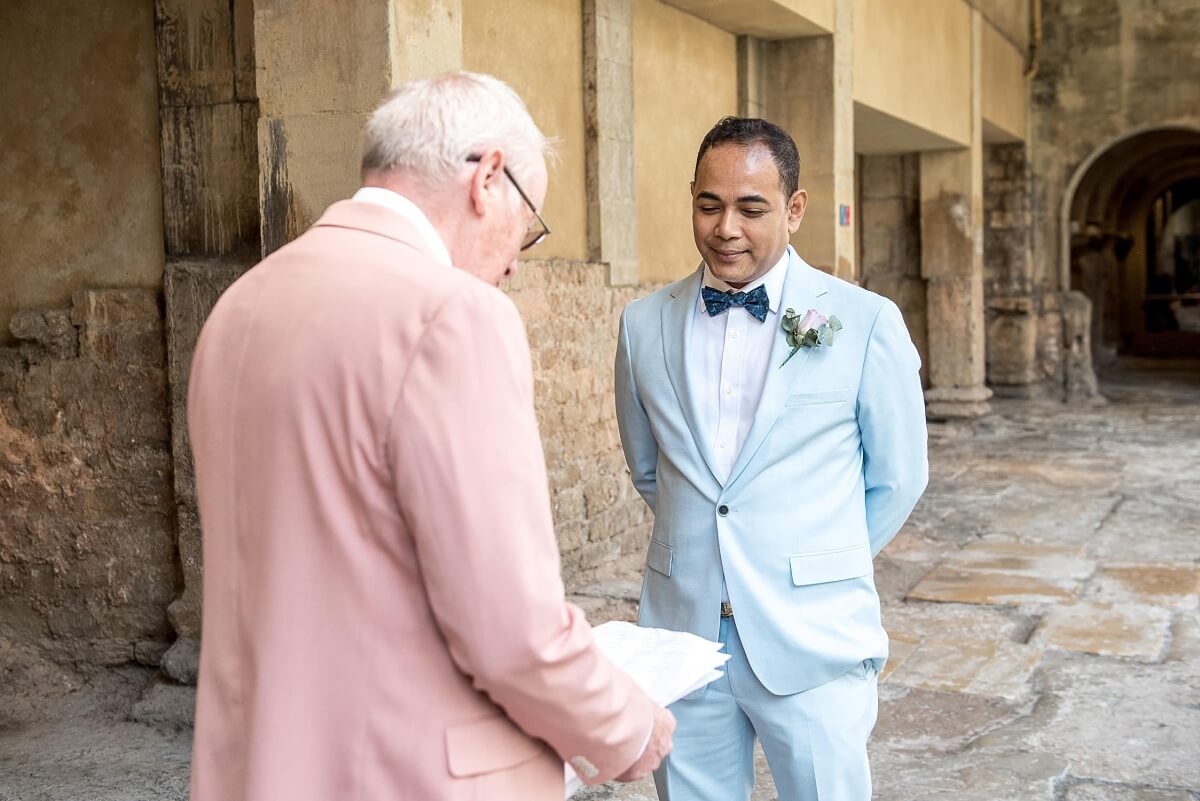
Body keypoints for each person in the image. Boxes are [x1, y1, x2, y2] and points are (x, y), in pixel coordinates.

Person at [188, 71, 673, 801]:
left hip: (260, 768)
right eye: (530, 226)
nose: (514, 259)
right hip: (405, 774)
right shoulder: (454, 315)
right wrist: (627, 727)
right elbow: (513, 632)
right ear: (488, 177)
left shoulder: (238, 307)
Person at [614, 117, 927, 801]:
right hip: (684, 636)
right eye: (709, 204)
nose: (726, 227)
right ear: (692, 198)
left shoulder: (865, 321)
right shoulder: (642, 325)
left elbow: (899, 476)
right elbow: (650, 469)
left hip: (814, 641)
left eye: (751, 207)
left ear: (794, 209)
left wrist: (814, 559)